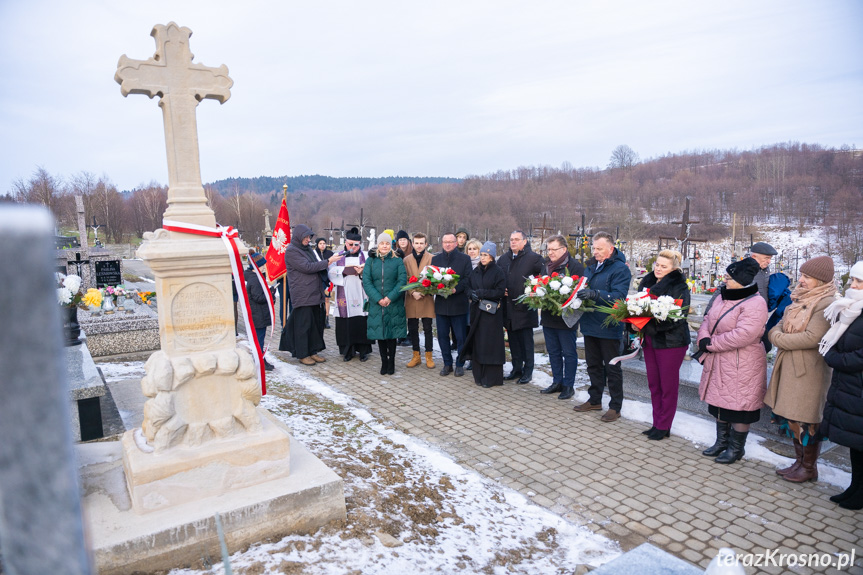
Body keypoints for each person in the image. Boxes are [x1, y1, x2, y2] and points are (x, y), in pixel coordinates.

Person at [765, 256, 836, 482]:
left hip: (809, 372)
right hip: (791, 368)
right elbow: (779, 322)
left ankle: (809, 467)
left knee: (807, 420)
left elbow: (813, 338)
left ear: (821, 281)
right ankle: (799, 462)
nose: (802, 280)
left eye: (807, 277)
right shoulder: (800, 298)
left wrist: (778, 339)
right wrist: (778, 334)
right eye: (803, 275)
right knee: (792, 418)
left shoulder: (826, 303)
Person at [696, 258, 768, 464]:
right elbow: (707, 320)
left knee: (738, 407)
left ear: (741, 279)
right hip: (719, 360)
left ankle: (736, 449)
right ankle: (721, 442)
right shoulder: (722, 296)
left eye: (729, 277)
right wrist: (703, 337)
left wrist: (710, 343)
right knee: (721, 401)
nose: (725, 280)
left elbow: (745, 334)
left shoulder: (756, 302)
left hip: (741, 362)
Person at [573, 232, 632, 421]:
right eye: (593, 248)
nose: (595, 251)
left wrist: (596, 294)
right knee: (593, 365)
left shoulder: (620, 269)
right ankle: (595, 399)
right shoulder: (590, 267)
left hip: (609, 326)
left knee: (612, 368)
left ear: (610, 249)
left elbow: (619, 296)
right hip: (590, 323)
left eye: (599, 248)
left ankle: (615, 406)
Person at [819, 261, 863, 510]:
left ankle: (860, 493)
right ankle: (854, 487)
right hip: (849, 386)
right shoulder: (851, 309)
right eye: (853, 281)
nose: (853, 286)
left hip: (857, 384)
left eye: (859, 282)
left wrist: (833, 358)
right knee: (857, 446)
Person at [636, 250, 690, 440]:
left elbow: (678, 316)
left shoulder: (679, 286)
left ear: (673, 269)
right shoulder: (648, 283)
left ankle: (664, 425)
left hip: (671, 342)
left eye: (663, 266)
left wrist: (651, 326)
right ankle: (656, 422)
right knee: (654, 384)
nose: (658, 269)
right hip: (650, 339)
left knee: (667, 385)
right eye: (657, 265)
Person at [280, 225, 341, 366]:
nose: (308, 239)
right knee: (303, 326)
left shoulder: (307, 249)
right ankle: (303, 354)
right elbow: (307, 267)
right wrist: (329, 261)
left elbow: (315, 264)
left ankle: (313, 350)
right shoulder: (291, 251)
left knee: (315, 324)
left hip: (314, 293)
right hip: (303, 295)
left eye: (309, 237)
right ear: (299, 236)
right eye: (306, 237)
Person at [539, 235, 585, 400]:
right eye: (548, 249)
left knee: (568, 352)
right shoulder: (546, 265)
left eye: (553, 249)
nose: (550, 253)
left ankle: (568, 385)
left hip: (566, 318)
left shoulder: (575, 267)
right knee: (553, 351)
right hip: (548, 315)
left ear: (564, 249)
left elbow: (578, 292)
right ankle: (557, 381)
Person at [498, 230, 544, 385]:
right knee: (513, 341)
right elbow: (498, 277)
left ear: (525, 241)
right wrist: (500, 288)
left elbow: (544, 277)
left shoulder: (534, 259)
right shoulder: (504, 259)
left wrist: (535, 290)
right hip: (508, 307)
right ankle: (516, 368)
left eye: (517, 239)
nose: (513, 242)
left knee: (526, 342)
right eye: (511, 239)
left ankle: (528, 370)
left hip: (525, 308)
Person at [459, 242, 506, 388]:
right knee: (479, 343)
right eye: (482, 255)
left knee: (490, 345)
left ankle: (491, 378)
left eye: (486, 255)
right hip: (477, 312)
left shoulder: (498, 271)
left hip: (491, 315)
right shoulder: (477, 270)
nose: (483, 257)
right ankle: (479, 375)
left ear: (492, 256)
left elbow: (499, 292)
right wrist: (471, 294)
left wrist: (481, 293)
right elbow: (467, 285)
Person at [363, 232, 408, 375]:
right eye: (382, 243)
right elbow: (367, 281)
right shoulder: (371, 260)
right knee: (380, 333)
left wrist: (389, 298)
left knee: (391, 334)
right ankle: (384, 362)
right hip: (377, 303)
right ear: (378, 244)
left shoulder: (397, 260)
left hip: (393, 303)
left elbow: (402, 281)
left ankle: (392, 362)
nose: (384, 246)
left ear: (391, 245)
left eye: (387, 243)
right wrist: (378, 298)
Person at [328, 229, 372, 362]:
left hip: (361, 291)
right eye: (350, 244)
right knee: (345, 322)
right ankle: (348, 350)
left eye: (356, 245)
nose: (353, 247)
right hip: (344, 290)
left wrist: (362, 272)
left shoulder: (366, 257)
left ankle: (363, 350)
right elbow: (330, 271)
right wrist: (342, 271)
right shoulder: (338, 256)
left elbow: (371, 273)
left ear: (360, 245)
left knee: (361, 321)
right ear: (345, 243)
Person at [432, 233, 472, 377]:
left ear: (456, 243)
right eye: (445, 242)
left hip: (458, 304)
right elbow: (431, 280)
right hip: (442, 305)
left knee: (460, 337)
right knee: (442, 336)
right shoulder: (435, 259)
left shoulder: (465, 259)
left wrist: (456, 289)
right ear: (442, 243)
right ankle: (447, 363)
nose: (448, 244)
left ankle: (460, 364)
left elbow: (468, 279)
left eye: (451, 242)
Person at [404, 233, 436, 369]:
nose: (419, 245)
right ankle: (416, 355)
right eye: (416, 243)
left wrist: (424, 291)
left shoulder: (432, 258)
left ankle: (429, 356)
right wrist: (412, 292)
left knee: (428, 327)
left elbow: (436, 278)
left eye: (421, 243)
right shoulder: (406, 260)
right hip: (412, 298)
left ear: (426, 244)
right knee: (413, 328)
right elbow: (403, 278)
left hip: (426, 298)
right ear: (413, 243)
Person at [244, 256, 276, 371]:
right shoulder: (255, 279)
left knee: (258, 338)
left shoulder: (251, 276)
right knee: (259, 339)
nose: (264, 268)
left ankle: (259, 358)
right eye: (262, 265)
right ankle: (260, 360)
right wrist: (270, 293)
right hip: (258, 314)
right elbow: (258, 297)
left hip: (255, 313)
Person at [394, 230, 413, 346]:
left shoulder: (412, 253)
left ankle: (411, 336)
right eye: (400, 240)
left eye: (404, 240)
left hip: (411, 283)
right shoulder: (395, 253)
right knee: (400, 311)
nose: (402, 242)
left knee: (410, 312)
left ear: (408, 241)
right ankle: (401, 334)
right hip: (399, 285)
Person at [315, 238, 335, 328]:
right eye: (320, 243)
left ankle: (326, 319)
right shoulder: (314, 254)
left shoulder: (330, 254)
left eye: (324, 243)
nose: (322, 245)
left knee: (327, 299)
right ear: (317, 244)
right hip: (317, 280)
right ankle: (317, 319)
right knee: (317, 300)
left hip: (327, 280)